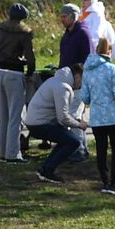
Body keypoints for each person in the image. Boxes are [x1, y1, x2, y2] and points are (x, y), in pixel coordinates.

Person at [21, 56, 88, 184]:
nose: (81, 85)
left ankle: (46, 168)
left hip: (35, 122)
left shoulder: (57, 80)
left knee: (66, 139)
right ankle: (47, 170)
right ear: (78, 76)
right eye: (82, 81)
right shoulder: (63, 87)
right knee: (73, 142)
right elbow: (63, 117)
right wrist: (79, 124)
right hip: (39, 124)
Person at [79, 35, 115, 195]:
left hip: (96, 118)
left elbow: (85, 97)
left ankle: (105, 181)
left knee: (101, 150)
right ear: (109, 51)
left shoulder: (87, 71)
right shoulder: (112, 69)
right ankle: (114, 183)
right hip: (113, 117)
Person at [0, 2, 35, 161]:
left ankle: (3, 153)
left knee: (3, 115)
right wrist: (29, 71)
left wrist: (1, 60)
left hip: (0, 72)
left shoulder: (1, 29)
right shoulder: (25, 33)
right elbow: (30, 57)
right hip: (15, 74)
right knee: (15, 115)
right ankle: (13, 154)